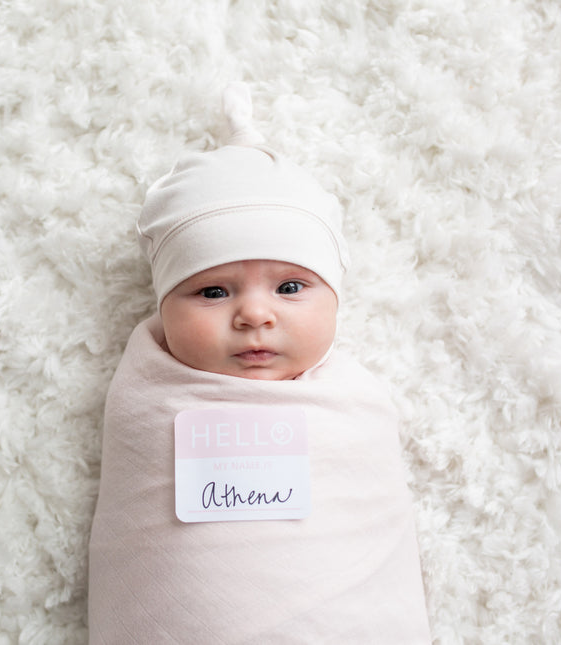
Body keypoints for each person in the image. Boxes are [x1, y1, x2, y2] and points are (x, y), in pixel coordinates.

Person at [88, 84, 431, 643]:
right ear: (163, 305)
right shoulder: (147, 401)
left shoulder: (355, 405)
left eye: (290, 286)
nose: (253, 314)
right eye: (213, 292)